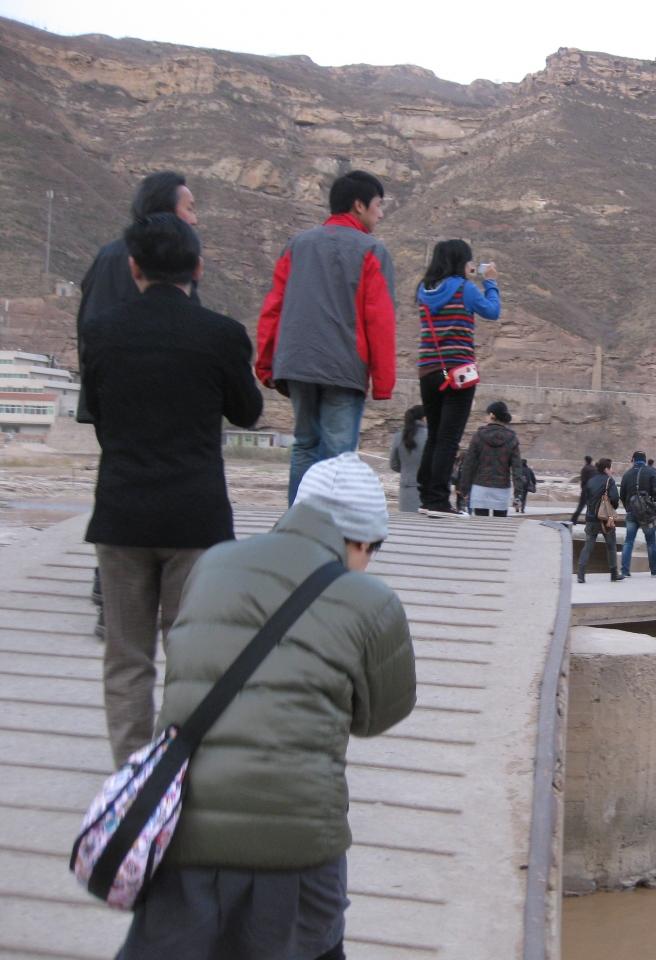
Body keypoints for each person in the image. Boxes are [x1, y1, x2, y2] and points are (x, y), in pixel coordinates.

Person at [114, 453, 416, 960]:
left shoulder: (212, 564)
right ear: (363, 541)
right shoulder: (372, 600)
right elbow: (379, 716)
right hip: (298, 844)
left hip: (181, 826)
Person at [81, 213, 262, 766]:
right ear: (198, 268)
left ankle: (131, 776)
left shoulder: (102, 331)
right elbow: (248, 412)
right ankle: (182, 771)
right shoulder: (221, 334)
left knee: (126, 657)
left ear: (134, 267)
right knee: (193, 657)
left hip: (122, 513)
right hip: (195, 518)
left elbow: (99, 414)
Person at [76, 171, 199, 639]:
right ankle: (121, 593)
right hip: (154, 393)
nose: (195, 218)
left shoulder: (107, 255)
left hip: (112, 393)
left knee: (119, 479)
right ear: (166, 211)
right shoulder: (160, 261)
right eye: (189, 207)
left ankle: (111, 586)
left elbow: (87, 328)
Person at [255, 171, 397, 505]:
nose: (380, 213)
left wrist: (266, 362)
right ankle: (330, 525)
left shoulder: (297, 245)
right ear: (359, 205)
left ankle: (298, 520)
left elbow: (273, 307)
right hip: (343, 367)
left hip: (296, 363)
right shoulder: (372, 250)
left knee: (305, 444)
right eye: (378, 205)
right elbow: (380, 320)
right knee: (339, 454)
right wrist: (383, 382)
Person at [412, 239, 501, 513]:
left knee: (435, 434)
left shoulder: (423, 289)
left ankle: (426, 496)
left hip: (429, 371)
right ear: (461, 261)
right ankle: (438, 500)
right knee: (449, 438)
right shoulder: (465, 289)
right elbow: (492, 311)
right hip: (458, 373)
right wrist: (490, 281)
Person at [459, 400, 522, 517]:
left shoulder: (478, 436)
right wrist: (518, 494)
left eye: (487, 414)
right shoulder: (512, 438)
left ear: (492, 415)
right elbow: (517, 468)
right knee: (499, 524)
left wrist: (464, 488)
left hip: (480, 486)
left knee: (480, 523)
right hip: (502, 488)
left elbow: (469, 464)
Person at [619, 451, 656, 578]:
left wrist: (628, 507)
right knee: (651, 542)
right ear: (645, 460)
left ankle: (624, 570)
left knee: (629, 541)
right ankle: (655, 569)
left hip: (631, 513)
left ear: (633, 460)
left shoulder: (627, 474)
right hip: (647, 514)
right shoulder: (651, 472)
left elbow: (622, 495)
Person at [576, 458, 622, 583]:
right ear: (606, 469)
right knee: (611, 545)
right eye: (611, 468)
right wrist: (612, 507)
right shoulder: (609, 481)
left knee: (588, 546)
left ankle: (581, 574)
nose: (612, 470)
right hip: (605, 519)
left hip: (591, 518)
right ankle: (614, 574)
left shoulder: (590, 481)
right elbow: (615, 498)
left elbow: (585, 498)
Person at [389, 405, 427, 512]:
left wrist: (407, 470)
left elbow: (393, 464)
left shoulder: (398, 436)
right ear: (424, 418)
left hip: (406, 487)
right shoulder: (432, 436)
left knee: (406, 521)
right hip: (427, 489)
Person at [570, 455, 594, 524]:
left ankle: (573, 520)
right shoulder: (594, 468)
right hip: (592, 491)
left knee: (580, 507)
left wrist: (583, 488)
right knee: (591, 508)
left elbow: (583, 480)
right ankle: (590, 522)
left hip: (585, 490)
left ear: (585, 461)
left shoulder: (584, 468)